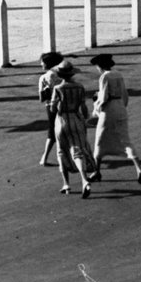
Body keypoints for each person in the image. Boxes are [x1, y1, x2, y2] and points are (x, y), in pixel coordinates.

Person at [89, 53, 141, 182]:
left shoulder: (104, 77)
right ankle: (139, 169)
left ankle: (97, 171)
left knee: (100, 140)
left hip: (109, 110)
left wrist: (96, 108)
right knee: (125, 139)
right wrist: (122, 106)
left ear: (101, 66)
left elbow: (104, 97)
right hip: (120, 106)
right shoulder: (118, 75)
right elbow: (124, 94)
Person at [46, 59, 94, 196]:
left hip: (62, 120)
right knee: (77, 150)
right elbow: (83, 107)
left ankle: (66, 184)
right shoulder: (79, 87)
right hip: (76, 118)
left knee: (61, 151)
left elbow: (53, 108)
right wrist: (85, 120)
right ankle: (84, 180)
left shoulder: (58, 88)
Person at [35, 50, 65, 166]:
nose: (41, 64)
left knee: (52, 132)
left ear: (47, 64)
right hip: (65, 104)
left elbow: (41, 98)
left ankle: (45, 157)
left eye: (42, 62)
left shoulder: (43, 78)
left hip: (50, 106)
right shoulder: (63, 74)